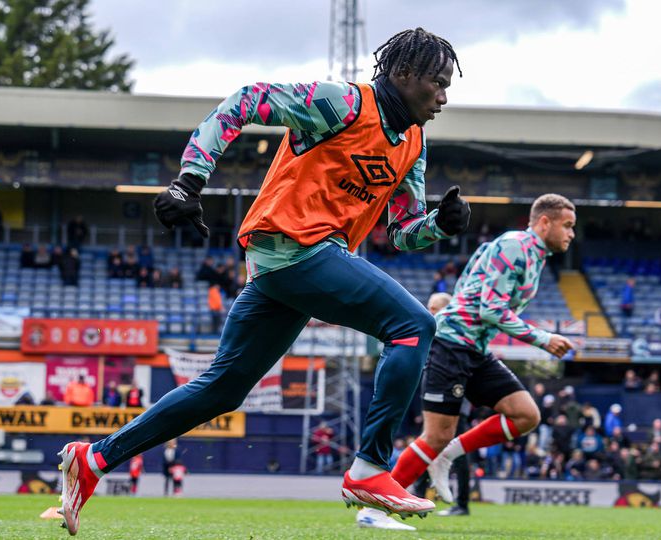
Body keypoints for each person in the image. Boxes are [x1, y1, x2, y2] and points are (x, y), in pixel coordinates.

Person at [57, 28, 469, 535]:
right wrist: (189, 180)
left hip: (290, 266)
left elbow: (403, 233)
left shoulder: (412, 142)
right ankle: (369, 469)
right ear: (404, 75)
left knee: (221, 390)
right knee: (413, 326)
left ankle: (93, 459)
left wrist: (440, 226)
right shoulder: (341, 104)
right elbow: (245, 101)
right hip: (294, 250)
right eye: (438, 83)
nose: (444, 97)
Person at [357, 194, 576, 530]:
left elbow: (476, 290)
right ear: (544, 222)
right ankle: (373, 509)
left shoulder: (534, 255)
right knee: (434, 435)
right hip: (451, 345)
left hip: (475, 348)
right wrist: (542, 338)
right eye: (567, 225)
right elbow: (490, 309)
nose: (571, 234)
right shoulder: (516, 246)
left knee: (525, 414)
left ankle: (450, 454)